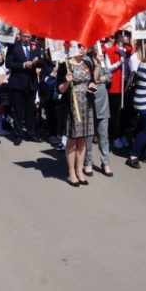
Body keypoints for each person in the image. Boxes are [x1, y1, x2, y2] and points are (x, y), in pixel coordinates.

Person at [57, 44, 97, 186]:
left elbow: (91, 80)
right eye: (80, 46)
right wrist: (67, 82)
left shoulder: (87, 63)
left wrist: (92, 85)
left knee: (83, 140)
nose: (83, 49)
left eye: (85, 47)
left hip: (87, 105)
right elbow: (60, 90)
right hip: (72, 107)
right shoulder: (65, 65)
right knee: (73, 140)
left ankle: (80, 170)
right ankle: (71, 172)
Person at [5, 31, 43, 145]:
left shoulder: (35, 47)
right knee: (18, 111)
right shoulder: (13, 47)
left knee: (30, 111)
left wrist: (36, 62)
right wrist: (23, 65)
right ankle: (18, 135)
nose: (26, 39)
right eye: (24, 37)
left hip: (31, 83)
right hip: (18, 83)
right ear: (20, 37)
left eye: (28, 37)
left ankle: (30, 133)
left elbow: (41, 62)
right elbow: (8, 63)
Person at [83, 46, 114, 177]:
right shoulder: (85, 60)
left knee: (103, 134)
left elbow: (109, 75)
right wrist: (97, 68)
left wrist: (103, 78)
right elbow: (89, 78)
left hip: (102, 100)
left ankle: (105, 162)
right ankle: (88, 162)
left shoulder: (103, 57)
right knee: (89, 135)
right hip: (89, 100)